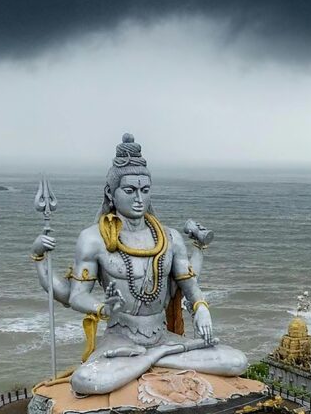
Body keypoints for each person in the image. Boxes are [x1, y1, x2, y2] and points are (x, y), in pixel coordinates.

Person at [31, 134, 247, 395]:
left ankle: (152, 357)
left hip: (162, 336)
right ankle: (155, 358)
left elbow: (190, 287)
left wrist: (201, 308)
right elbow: (76, 296)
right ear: (111, 192)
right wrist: (102, 308)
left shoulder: (169, 238)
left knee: (236, 361)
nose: (138, 199)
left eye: (145, 191)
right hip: (121, 339)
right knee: (87, 380)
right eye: (130, 190)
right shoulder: (93, 239)